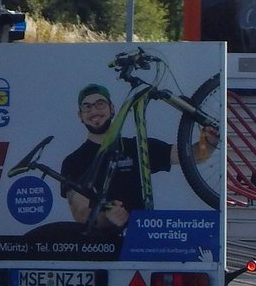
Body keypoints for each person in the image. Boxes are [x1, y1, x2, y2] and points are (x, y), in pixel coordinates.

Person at [60, 83, 216, 235]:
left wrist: (208, 141)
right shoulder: (73, 162)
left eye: (100, 104)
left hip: (142, 244)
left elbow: (194, 156)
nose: (94, 110)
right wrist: (106, 218)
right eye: (87, 106)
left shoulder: (137, 146)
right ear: (80, 115)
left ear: (112, 109)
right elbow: (80, 214)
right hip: (100, 251)